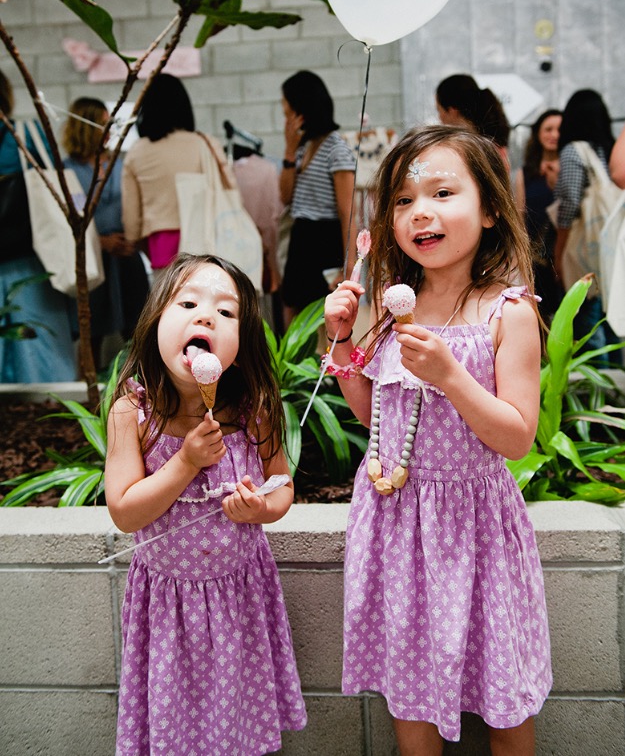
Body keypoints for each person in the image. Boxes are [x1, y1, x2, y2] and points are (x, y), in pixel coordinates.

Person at [324, 124, 551, 754]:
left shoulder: (509, 312)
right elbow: (377, 414)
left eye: (443, 192)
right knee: (411, 688)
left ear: (488, 212)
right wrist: (343, 338)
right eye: (402, 200)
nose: (420, 210)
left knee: (502, 695)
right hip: (400, 527)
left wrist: (452, 376)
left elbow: (516, 437)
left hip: (474, 532)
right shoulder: (395, 308)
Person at [105, 253, 307, 755]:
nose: (204, 316)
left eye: (225, 311)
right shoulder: (132, 411)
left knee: (236, 720)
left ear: (239, 347)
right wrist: (186, 462)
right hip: (168, 604)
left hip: (239, 596)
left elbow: (281, 483)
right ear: (155, 322)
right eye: (188, 303)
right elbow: (125, 511)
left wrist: (262, 509)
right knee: (176, 729)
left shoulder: (254, 409)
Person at [0, 69, 76, 383]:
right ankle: (54, 421)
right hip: (33, 262)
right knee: (43, 357)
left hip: (23, 263)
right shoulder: (27, 135)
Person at [62, 97, 149, 369]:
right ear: (86, 126)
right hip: (90, 257)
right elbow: (66, 220)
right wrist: (100, 242)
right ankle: (87, 389)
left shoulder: (120, 165)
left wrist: (132, 239)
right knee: (92, 330)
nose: (109, 129)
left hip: (126, 252)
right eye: (103, 124)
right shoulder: (67, 170)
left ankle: (143, 385)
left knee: (139, 327)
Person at [122, 73, 225, 278]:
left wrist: (138, 241)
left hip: (161, 247)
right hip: (209, 244)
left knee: (169, 306)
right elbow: (230, 193)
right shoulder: (206, 144)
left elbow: (131, 221)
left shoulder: (137, 152)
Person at [279, 70, 357, 326]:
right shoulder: (302, 146)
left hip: (325, 237)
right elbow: (285, 196)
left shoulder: (336, 148)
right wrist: (289, 150)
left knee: (325, 313)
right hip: (301, 235)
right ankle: (292, 364)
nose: (284, 117)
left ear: (301, 110)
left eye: (286, 109)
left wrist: (351, 263)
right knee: (292, 303)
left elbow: (348, 211)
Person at [553, 89, 617, 349]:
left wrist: (559, 248)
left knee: (588, 316)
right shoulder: (611, 151)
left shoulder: (573, 151)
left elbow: (570, 202)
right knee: (611, 318)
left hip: (585, 245)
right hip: (612, 245)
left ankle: (599, 385)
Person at [514, 109, 563, 320]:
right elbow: (519, 218)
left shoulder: (571, 170)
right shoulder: (524, 173)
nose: (554, 135)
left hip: (565, 254)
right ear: (538, 134)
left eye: (560, 129)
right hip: (536, 258)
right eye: (548, 129)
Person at [436, 73, 511, 167]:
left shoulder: (462, 150)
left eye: (439, 110)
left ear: (452, 110)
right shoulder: (493, 144)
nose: (439, 118)